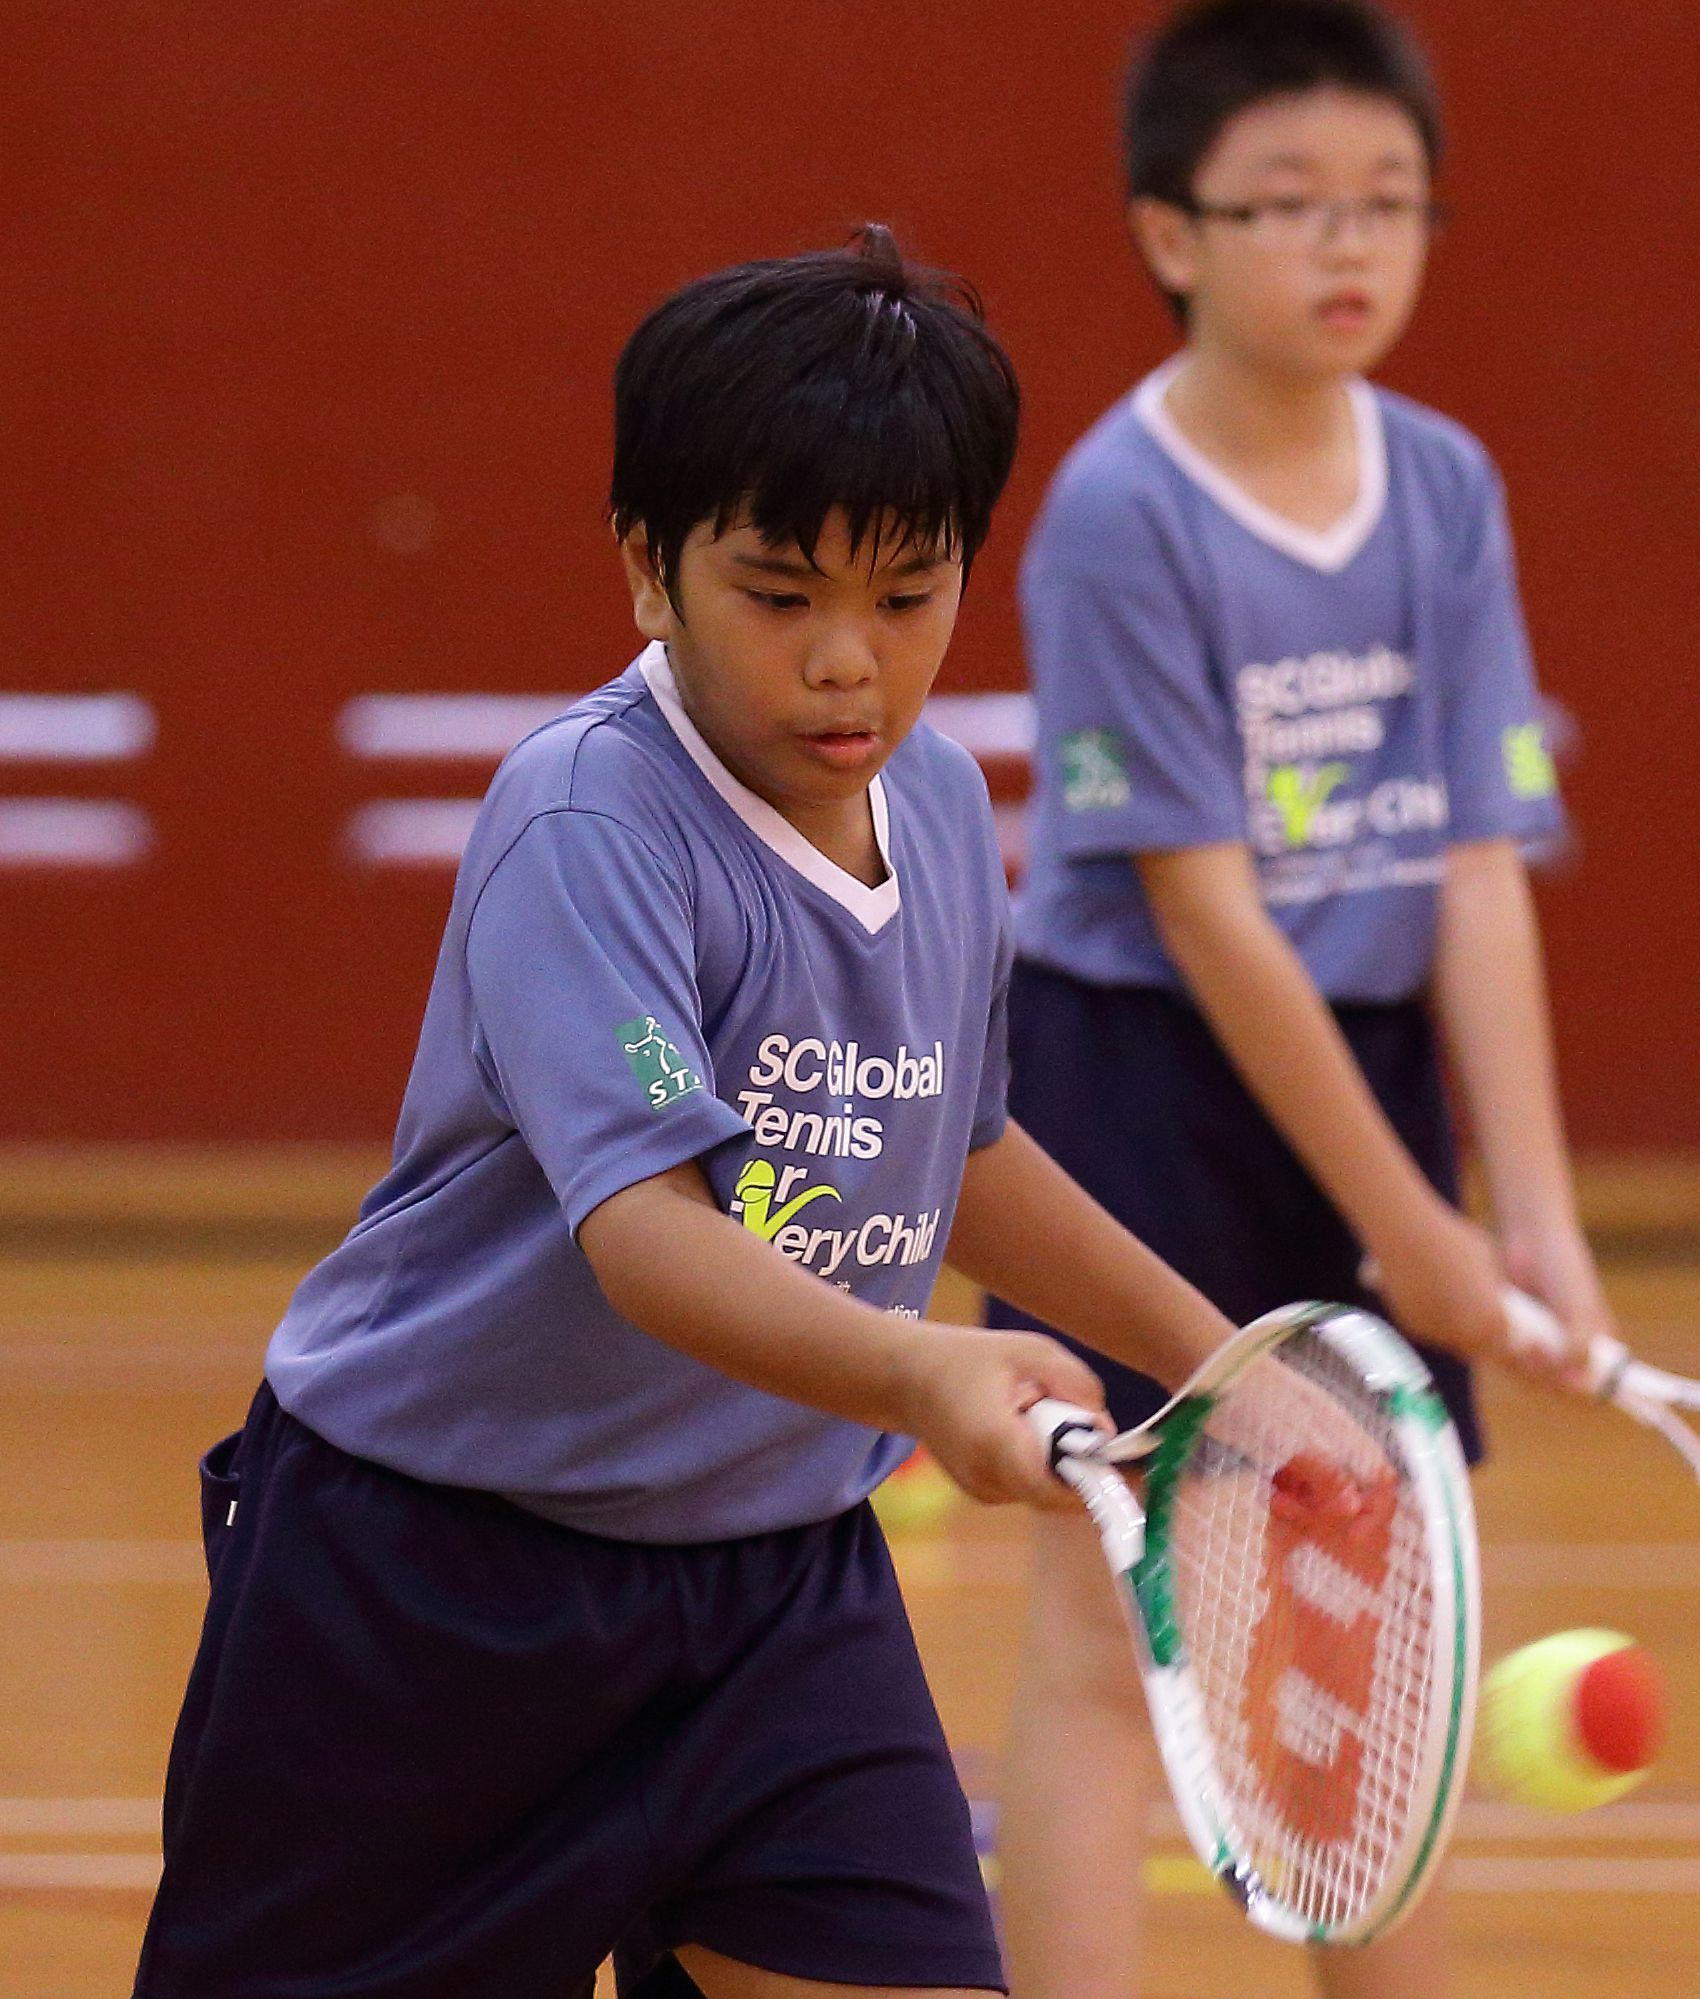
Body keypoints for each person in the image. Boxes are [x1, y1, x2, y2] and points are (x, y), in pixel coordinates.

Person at [134, 226, 1247, 1999]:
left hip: (780, 1594)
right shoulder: (589, 823)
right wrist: (923, 1374)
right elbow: (650, 1235)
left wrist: (1220, 1367)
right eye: (781, 592)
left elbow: (952, 1150)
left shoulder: (946, 806)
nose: (847, 666)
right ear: (649, 569)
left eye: (909, 594)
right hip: (432, 1591)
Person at [984, 6, 1611, 1995]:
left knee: (1372, 1625)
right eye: (1289, 206)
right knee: (1111, 1636)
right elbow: (1207, 913)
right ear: (1169, 232)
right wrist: (1413, 1230)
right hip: (1134, 1085)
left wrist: (1531, 1216)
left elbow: (1476, 865)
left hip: (1370, 1074)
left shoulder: (1441, 489)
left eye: (1390, 204)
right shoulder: (1119, 513)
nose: (1349, 246)